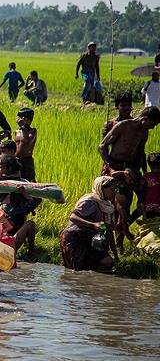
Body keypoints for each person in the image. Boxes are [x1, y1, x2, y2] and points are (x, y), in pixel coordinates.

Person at [98, 106, 160, 246]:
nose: (153, 127)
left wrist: (143, 174)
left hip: (130, 169)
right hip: (115, 166)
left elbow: (141, 153)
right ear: (145, 119)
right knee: (118, 206)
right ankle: (112, 238)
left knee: (137, 200)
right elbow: (102, 146)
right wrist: (110, 167)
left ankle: (120, 241)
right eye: (153, 124)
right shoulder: (123, 126)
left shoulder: (144, 133)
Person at [0, 155, 39, 255]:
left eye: (0, 166)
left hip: (9, 241)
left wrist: (23, 193)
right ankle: (31, 252)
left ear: (8, 169)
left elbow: (32, 204)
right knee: (30, 224)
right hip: (2, 238)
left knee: (29, 224)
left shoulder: (14, 207)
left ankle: (31, 252)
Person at [60, 176, 118, 271]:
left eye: (116, 189)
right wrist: (92, 225)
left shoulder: (108, 206)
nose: (114, 192)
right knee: (76, 270)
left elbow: (108, 231)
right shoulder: (90, 201)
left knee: (108, 262)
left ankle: (91, 277)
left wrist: (116, 256)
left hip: (92, 240)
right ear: (101, 188)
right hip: (75, 237)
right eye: (112, 189)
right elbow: (73, 217)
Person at [14, 108, 37, 182]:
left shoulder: (33, 131)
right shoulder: (17, 131)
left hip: (27, 161)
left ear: (27, 119)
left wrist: (23, 128)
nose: (18, 119)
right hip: (17, 160)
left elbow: (27, 141)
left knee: (29, 181)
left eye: (20, 118)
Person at [142, 153, 160, 220]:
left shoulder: (146, 177)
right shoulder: (146, 177)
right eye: (154, 167)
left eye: (158, 167)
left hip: (157, 207)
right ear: (150, 166)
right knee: (150, 225)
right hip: (148, 207)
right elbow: (142, 192)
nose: (156, 170)